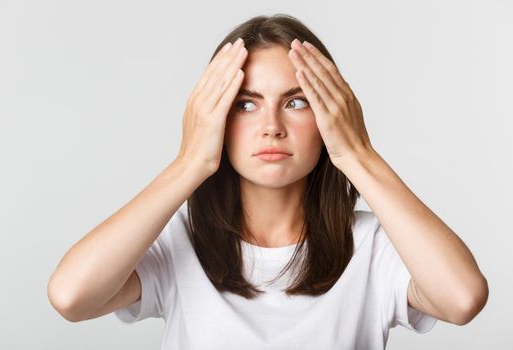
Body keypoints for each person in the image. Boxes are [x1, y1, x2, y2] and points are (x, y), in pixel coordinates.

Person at [47, 13, 489, 349]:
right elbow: (71, 296)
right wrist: (190, 162)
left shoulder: (374, 246)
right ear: (215, 117)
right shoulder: (179, 241)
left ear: (329, 116)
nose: (271, 127)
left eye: (296, 103)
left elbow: (462, 299)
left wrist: (357, 153)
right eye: (245, 105)